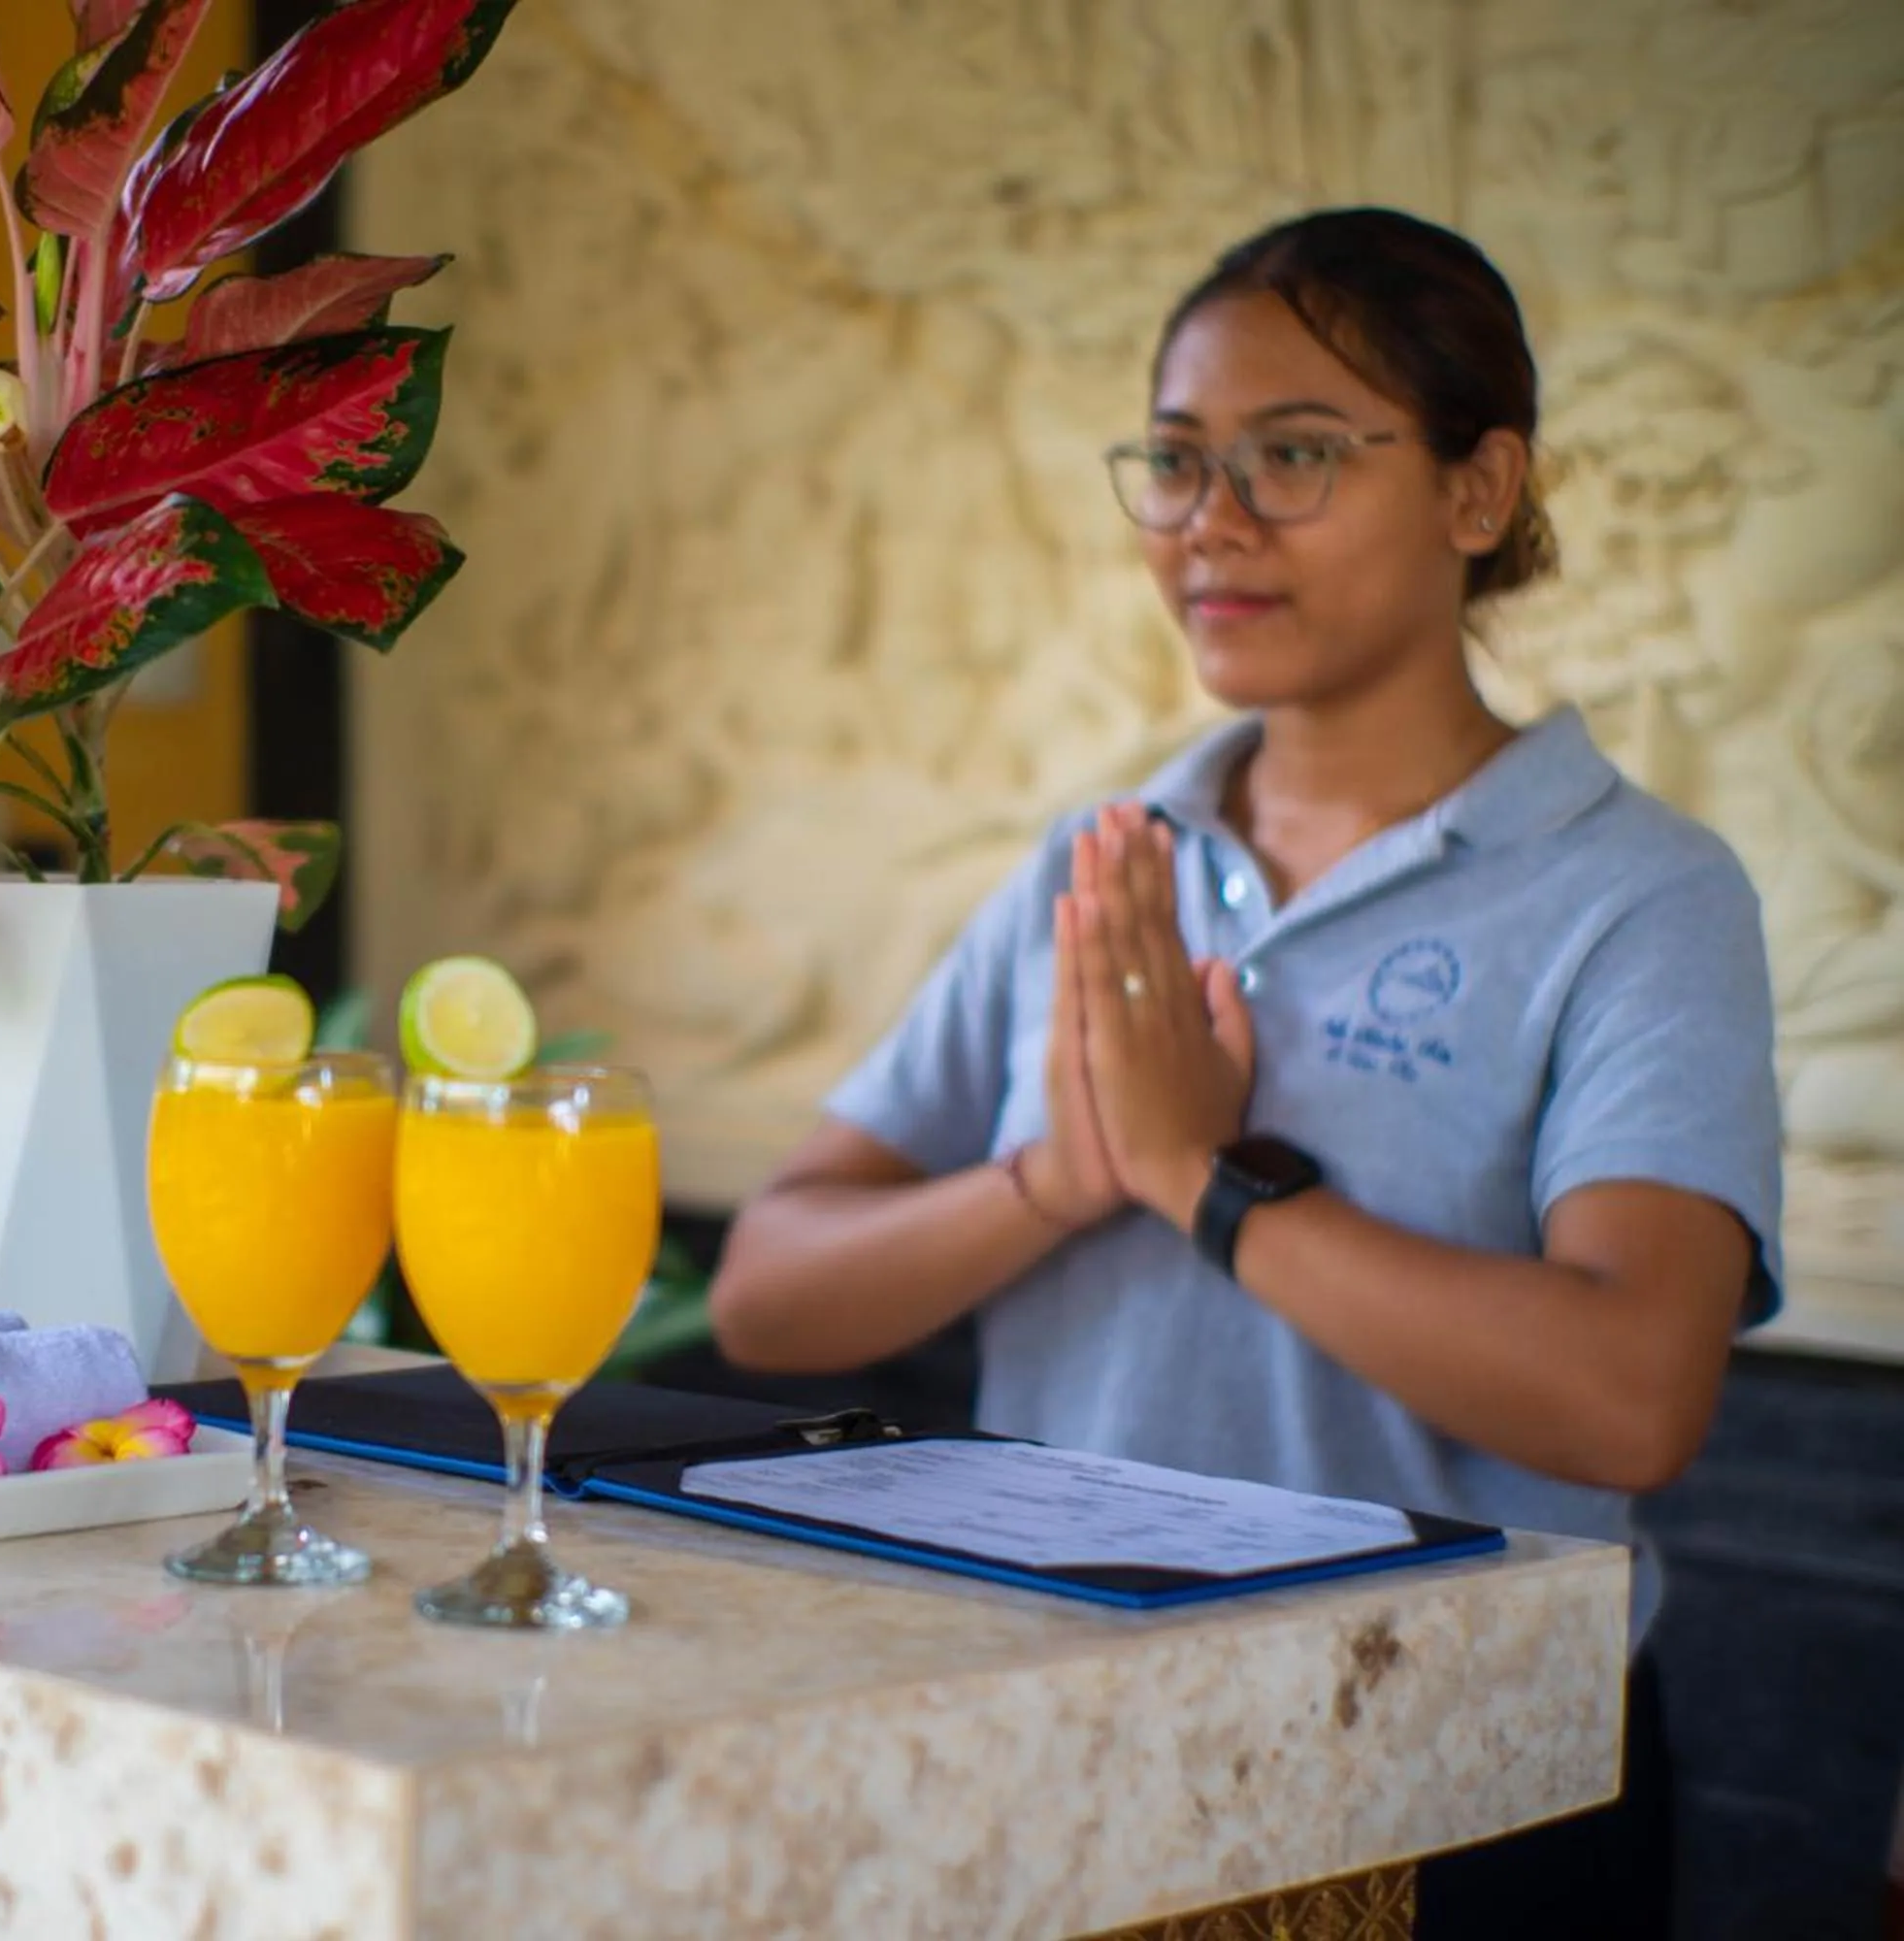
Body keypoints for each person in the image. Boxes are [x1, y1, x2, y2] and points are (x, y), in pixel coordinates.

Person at [707, 207, 1784, 1940]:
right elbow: (769, 1297)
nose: (1213, 522)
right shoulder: (1109, 862)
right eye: (1181, 462)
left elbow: (1631, 1395)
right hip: (1061, 1739)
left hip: (1461, 1784)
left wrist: (1205, 1187)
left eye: (1294, 456)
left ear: (1478, 490)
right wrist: (1058, 1176)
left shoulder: (1634, 895)